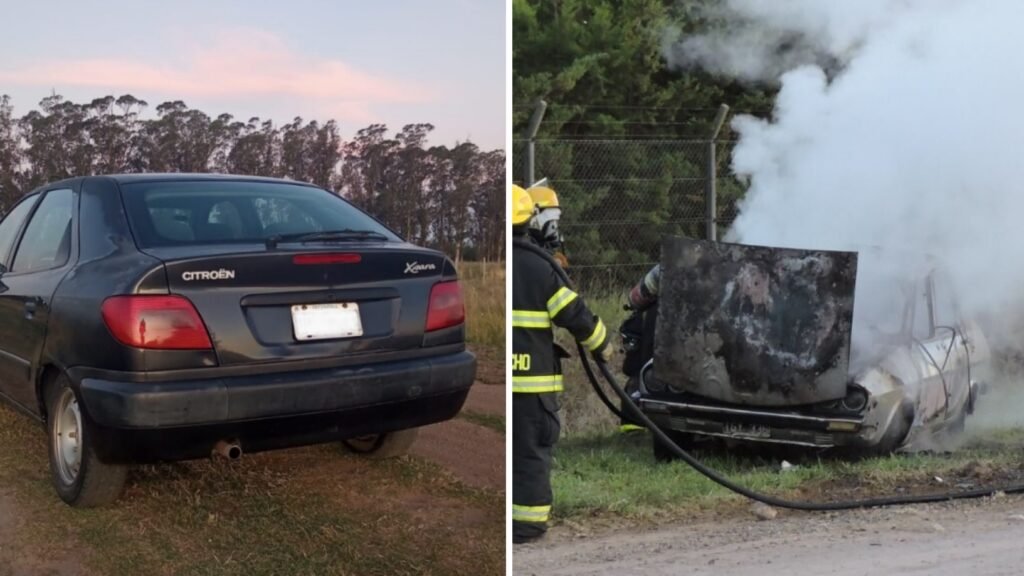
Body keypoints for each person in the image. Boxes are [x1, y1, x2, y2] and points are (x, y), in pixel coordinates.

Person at [512, 183, 612, 544]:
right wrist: (603, 344)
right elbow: (575, 315)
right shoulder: (541, 268)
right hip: (533, 386)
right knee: (530, 454)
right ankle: (525, 525)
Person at [619, 264, 663, 432]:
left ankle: (634, 425)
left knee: (639, 369)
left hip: (657, 333)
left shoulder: (666, 267)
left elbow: (636, 299)